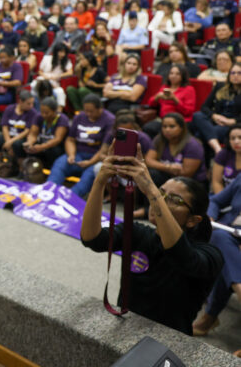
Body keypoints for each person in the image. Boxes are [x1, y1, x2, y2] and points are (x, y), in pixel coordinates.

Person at [82, 153, 222, 336]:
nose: (161, 200)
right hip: (126, 329)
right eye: (162, 192)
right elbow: (91, 238)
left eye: (175, 199)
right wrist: (100, 182)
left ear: (192, 220)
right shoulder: (138, 233)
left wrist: (152, 190)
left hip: (171, 341)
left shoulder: (211, 255)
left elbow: (180, 254)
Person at [192, 174, 241, 351]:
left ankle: (210, 317)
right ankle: (238, 287)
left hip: (229, 241)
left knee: (222, 250)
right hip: (230, 233)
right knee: (220, 239)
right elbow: (215, 200)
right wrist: (211, 217)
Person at [47, 94, 115, 197]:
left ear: (100, 109)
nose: (87, 114)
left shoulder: (110, 120)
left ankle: (70, 197)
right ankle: (49, 191)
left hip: (96, 158)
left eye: (91, 111)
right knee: (60, 163)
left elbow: (104, 149)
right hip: (78, 153)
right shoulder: (79, 117)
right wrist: (71, 155)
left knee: (90, 174)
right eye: (85, 110)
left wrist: (90, 162)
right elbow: (70, 139)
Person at [191, 62, 241, 154]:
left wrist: (232, 121)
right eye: (233, 73)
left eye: (239, 73)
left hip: (232, 125)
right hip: (215, 119)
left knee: (200, 134)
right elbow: (204, 107)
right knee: (197, 115)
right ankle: (217, 148)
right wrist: (214, 116)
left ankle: (205, 163)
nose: (235, 76)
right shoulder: (220, 86)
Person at [146, 113, 207, 188]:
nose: (167, 130)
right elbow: (148, 161)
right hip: (169, 178)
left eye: (172, 126)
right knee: (150, 174)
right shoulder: (159, 139)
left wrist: (160, 166)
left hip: (191, 184)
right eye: (164, 126)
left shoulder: (193, 145)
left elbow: (186, 173)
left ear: (181, 128)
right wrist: (168, 167)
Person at [0, 90, 37, 175]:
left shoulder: (32, 112)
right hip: (9, 136)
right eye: (28, 103)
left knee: (17, 144)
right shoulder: (10, 109)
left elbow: (27, 131)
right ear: (20, 101)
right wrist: (8, 141)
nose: (31, 106)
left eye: (32, 103)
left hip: (21, 138)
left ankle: (21, 169)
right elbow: (4, 127)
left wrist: (11, 142)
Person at [15, 97, 69, 169]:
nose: (43, 115)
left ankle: (51, 170)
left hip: (55, 147)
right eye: (42, 112)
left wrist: (42, 147)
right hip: (41, 145)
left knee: (53, 151)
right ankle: (23, 170)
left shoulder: (62, 119)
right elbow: (33, 134)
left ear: (54, 111)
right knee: (20, 145)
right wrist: (29, 143)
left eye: (46, 113)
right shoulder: (38, 117)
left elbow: (57, 139)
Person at [145, 64, 196, 137]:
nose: (173, 76)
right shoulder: (165, 87)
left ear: (183, 76)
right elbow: (150, 104)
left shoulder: (189, 89)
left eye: (177, 74)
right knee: (148, 128)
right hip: (164, 120)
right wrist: (158, 96)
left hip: (180, 121)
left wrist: (175, 99)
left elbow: (188, 111)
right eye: (171, 73)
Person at [32, 42, 71, 109]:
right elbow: (40, 71)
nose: (63, 54)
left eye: (64, 52)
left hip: (54, 82)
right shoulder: (47, 58)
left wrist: (59, 76)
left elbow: (70, 72)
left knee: (60, 92)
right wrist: (46, 77)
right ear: (56, 51)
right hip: (44, 79)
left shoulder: (66, 61)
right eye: (61, 52)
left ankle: (59, 112)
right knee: (33, 85)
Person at [210, 124, 241, 195]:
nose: (236, 142)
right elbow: (217, 182)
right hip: (225, 197)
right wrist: (222, 201)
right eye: (233, 138)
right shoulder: (223, 154)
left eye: (240, 138)